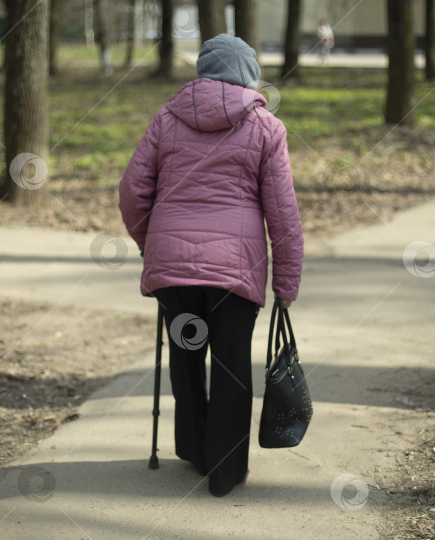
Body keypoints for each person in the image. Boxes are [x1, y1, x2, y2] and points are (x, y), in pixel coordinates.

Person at [118, 34, 303, 497]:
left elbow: (132, 193)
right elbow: (283, 214)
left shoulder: (166, 119)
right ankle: (224, 472)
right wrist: (286, 281)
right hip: (234, 275)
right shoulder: (265, 126)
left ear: (203, 69)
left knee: (186, 361)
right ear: (248, 73)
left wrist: (152, 244)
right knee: (232, 368)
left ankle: (196, 450)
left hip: (175, 275)